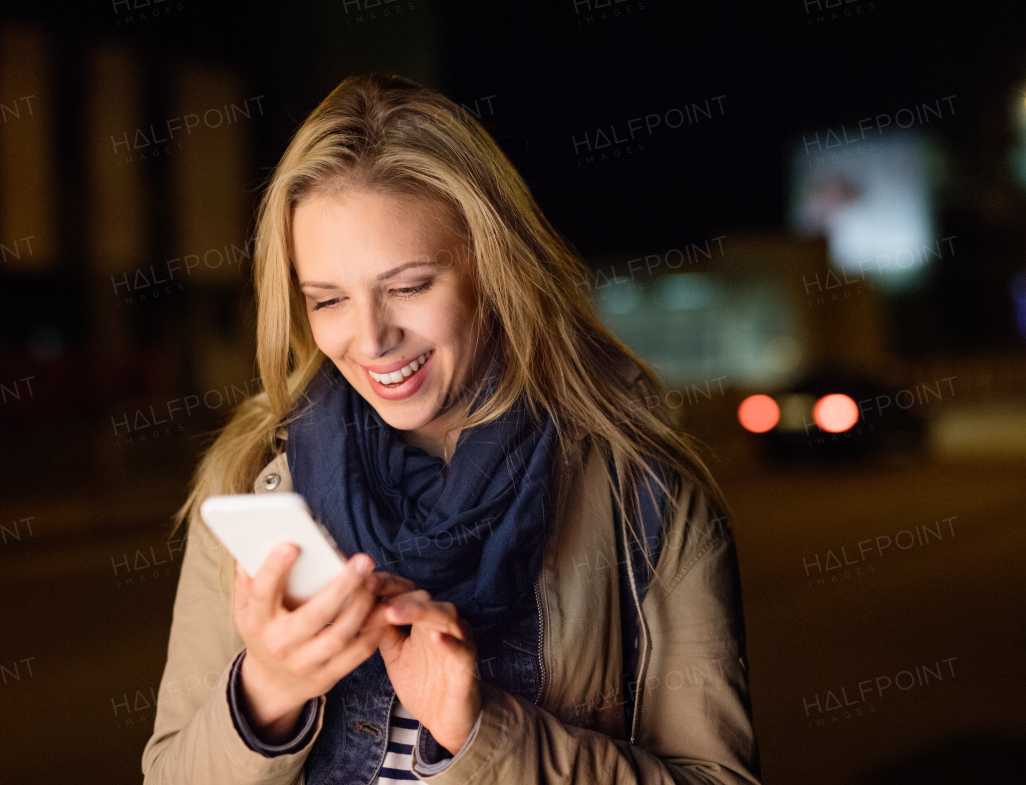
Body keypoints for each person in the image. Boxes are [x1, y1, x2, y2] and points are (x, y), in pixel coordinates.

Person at [141, 72, 760, 784]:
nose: (370, 339)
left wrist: (480, 733)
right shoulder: (256, 476)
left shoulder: (644, 494)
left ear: (494, 268)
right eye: (329, 299)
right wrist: (266, 694)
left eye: (408, 286)